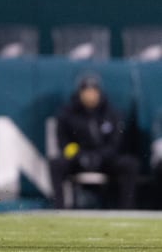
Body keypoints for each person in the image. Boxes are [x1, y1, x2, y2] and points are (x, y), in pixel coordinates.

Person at [49, 72, 139, 209]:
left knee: (130, 164)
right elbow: (64, 144)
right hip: (78, 159)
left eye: (93, 91)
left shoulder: (111, 113)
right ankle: (59, 208)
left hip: (105, 159)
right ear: (80, 93)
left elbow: (115, 144)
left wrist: (99, 156)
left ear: (99, 92)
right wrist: (80, 156)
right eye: (86, 91)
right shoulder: (67, 114)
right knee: (56, 164)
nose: (90, 95)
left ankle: (126, 210)